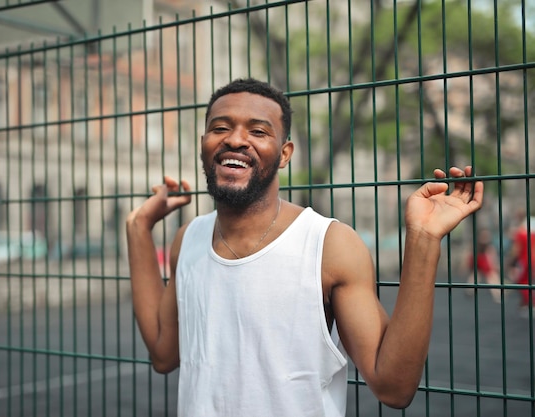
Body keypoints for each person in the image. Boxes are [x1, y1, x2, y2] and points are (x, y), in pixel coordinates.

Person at [126, 78, 484, 417]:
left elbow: (393, 387)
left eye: (257, 131)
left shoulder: (328, 245)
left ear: (284, 154)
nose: (235, 140)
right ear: (203, 142)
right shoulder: (187, 239)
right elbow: (163, 354)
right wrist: (138, 227)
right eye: (220, 128)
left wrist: (423, 240)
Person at [464, 228, 501, 303]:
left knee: (488, 276)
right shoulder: (481, 245)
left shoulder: (486, 246)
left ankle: (497, 293)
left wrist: (495, 263)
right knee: (485, 275)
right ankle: (497, 293)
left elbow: (492, 255)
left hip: (481, 259)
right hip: (481, 259)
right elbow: (491, 255)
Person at [509, 215, 535, 316]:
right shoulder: (532, 235)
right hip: (531, 261)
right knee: (527, 281)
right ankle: (526, 303)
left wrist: (512, 261)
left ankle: (531, 303)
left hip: (523, 261)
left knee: (521, 282)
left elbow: (516, 249)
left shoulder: (520, 234)